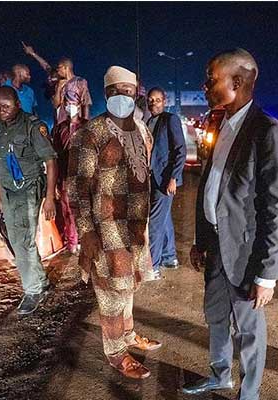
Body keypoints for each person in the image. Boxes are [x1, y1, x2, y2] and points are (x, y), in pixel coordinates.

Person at [183, 48, 278, 400]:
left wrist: (267, 275)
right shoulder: (222, 123)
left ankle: (249, 393)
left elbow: (277, 205)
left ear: (238, 81)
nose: (205, 86)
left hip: (247, 251)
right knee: (215, 316)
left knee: (248, 330)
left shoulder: (267, 131)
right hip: (216, 245)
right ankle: (219, 376)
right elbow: (212, 188)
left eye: (211, 79)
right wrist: (202, 240)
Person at [66, 66, 161, 380]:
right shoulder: (90, 133)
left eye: (129, 91)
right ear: (105, 93)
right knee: (110, 293)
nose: (123, 96)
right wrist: (87, 231)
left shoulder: (142, 130)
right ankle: (116, 352)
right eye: (116, 91)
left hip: (136, 228)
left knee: (129, 286)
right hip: (106, 229)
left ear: (137, 94)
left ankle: (130, 335)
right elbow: (77, 188)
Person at [0, 86, 58, 315]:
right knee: (15, 238)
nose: (1, 110)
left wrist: (50, 198)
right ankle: (39, 280)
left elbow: (50, 162)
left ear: (17, 103)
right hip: (7, 190)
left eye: (6, 106)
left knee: (23, 239)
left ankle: (33, 290)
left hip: (28, 189)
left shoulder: (32, 126)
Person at [146, 87, 186, 278]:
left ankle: (152, 267)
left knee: (154, 222)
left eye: (158, 100)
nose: (154, 103)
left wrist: (173, 178)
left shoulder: (171, 120)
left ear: (165, 101)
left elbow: (181, 151)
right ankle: (170, 257)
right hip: (153, 179)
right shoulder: (149, 122)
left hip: (165, 180)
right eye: (151, 100)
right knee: (164, 219)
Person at [51, 91, 87, 254]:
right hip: (66, 177)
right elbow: (55, 156)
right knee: (68, 212)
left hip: (84, 178)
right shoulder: (59, 129)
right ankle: (72, 242)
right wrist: (56, 182)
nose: (70, 107)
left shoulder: (88, 126)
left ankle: (85, 240)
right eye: (68, 104)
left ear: (79, 106)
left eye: (73, 104)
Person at [54, 57, 92, 124]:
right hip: (63, 123)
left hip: (77, 122)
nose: (57, 70)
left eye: (59, 67)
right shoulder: (59, 84)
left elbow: (86, 102)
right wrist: (58, 88)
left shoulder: (80, 82)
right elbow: (56, 105)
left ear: (66, 68)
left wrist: (85, 122)